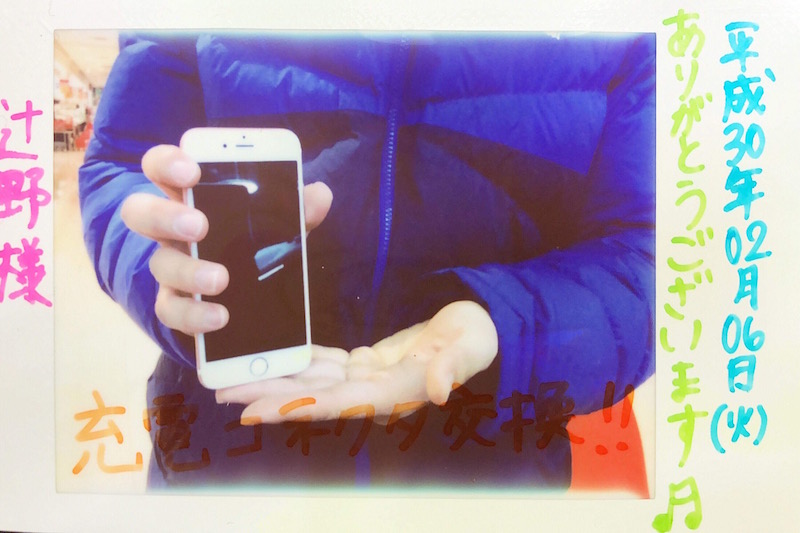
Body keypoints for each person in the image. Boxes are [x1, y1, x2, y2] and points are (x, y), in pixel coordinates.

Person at [79, 31, 655, 489]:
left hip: (485, 467)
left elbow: (647, 249)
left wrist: (507, 324)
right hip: (225, 453)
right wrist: (167, 266)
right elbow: (122, 163)